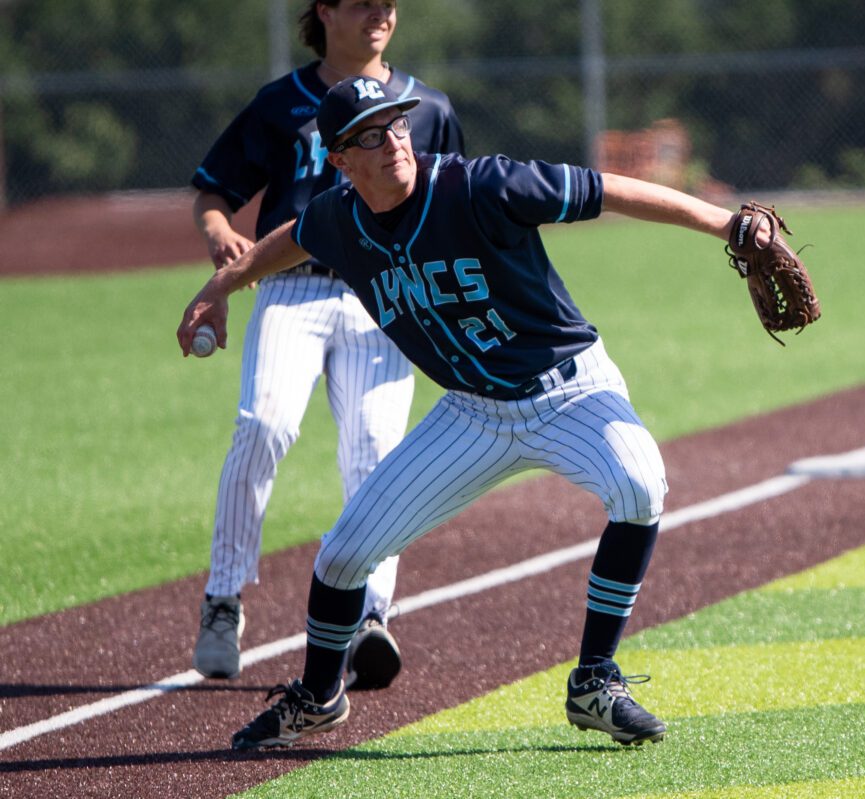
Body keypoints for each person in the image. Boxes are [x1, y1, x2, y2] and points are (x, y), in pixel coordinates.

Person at [177, 76, 780, 749]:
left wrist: (727, 223)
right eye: (370, 136)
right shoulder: (339, 217)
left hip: (569, 390)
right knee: (343, 557)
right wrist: (221, 283)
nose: (393, 142)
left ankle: (594, 680)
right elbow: (294, 236)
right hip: (472, 415)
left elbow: (609, 190)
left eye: (398, 125)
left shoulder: (481, 185)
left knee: (641, 485)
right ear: (339, 161)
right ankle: (319, 696)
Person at [188, 0, 464, 687]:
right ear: (325, 12)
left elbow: (454, 209)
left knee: (375, 453)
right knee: (263, 424)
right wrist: (222, 237)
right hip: (292, 289)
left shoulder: (425, 107)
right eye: (362, 1)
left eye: (388, 3)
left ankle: (371, 616)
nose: (379, 12)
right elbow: (213, 191)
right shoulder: (283, 102)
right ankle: (223, 599)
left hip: (383, 296)